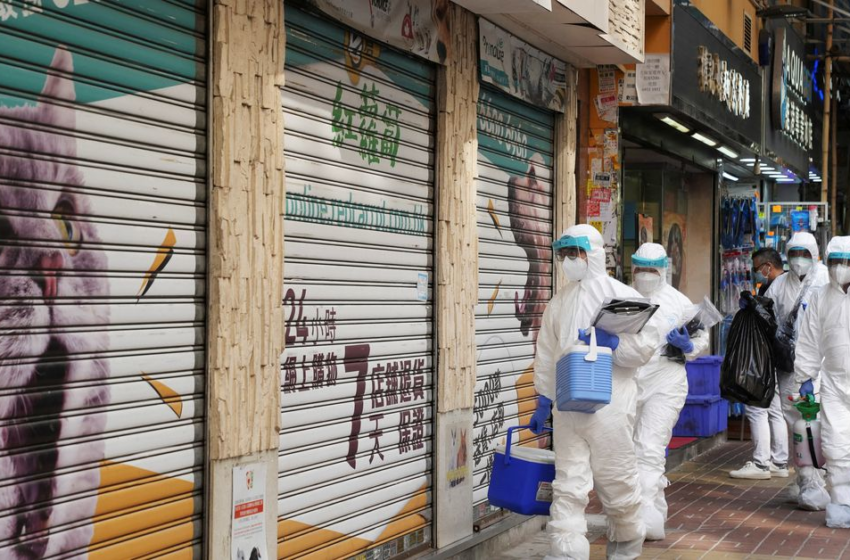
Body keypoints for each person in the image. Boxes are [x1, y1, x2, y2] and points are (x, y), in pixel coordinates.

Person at [528, 224, 662, 560]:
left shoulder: (623, 297)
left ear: (594, 255)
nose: (569, 260)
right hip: (568, 406)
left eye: (575, 253)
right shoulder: (560, 302)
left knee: (616, 480)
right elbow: (546, 351)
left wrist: (615, 343)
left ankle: (627, 541)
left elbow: (645, 347)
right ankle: (566, 549)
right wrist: (544, 397)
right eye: (565, 254)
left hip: (611, 406)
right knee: (568, 482)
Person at [630, 244, 709, 541]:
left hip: (666, 384)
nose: (646, 276)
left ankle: (643, 515)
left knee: (649, 447)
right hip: (628, 383)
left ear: (663, 270)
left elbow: (701, 336)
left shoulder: (679, 303)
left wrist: (689, 345)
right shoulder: (622, 297)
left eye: (652, 270)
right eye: (641, 270)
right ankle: (654, 509)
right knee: (630, 451)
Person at [795, 236, 850, 527]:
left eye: (846, 263)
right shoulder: (820, 297)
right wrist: (805, 375)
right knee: (835, 444)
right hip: (834, 382)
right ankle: (842, 504)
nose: (840, 268)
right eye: (835, 263)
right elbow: (808, 340)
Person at [729, 246, 790, 481]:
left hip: (767, 355)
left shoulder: (777, 287)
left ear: (767, 267)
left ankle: (761, 463)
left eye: (756, 269)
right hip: (776, 356)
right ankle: (779, 461)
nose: (755, 273)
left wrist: (754, 306)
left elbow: (771, 321)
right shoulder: (781, 285)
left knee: (755, 406)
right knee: (774, 409)